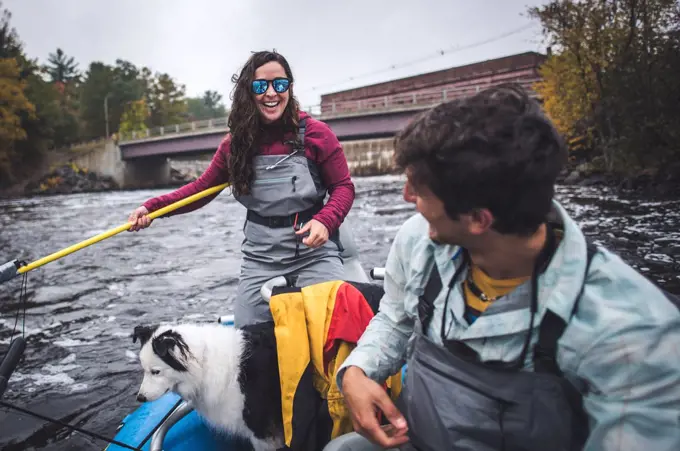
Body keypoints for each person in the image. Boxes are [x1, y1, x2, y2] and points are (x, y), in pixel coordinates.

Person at [330, 85, 680, 451]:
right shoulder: (418, 238)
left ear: (478, 219)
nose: (406, 196)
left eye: (420, 188)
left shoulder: (630, 330)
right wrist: (356, 371)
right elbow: (394, 320)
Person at [127, 50, 355, 328]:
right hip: (260, 260)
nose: (271, 93)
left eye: (279, 84)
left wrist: (325, 220)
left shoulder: (319, 134)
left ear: (290, 88)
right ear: (249, 91)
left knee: (337, 330)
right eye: (261, 86)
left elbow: (343, 187)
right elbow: (201, 190)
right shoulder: (234, 145)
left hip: (314, 255)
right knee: (247, 347)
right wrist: (151, 208)